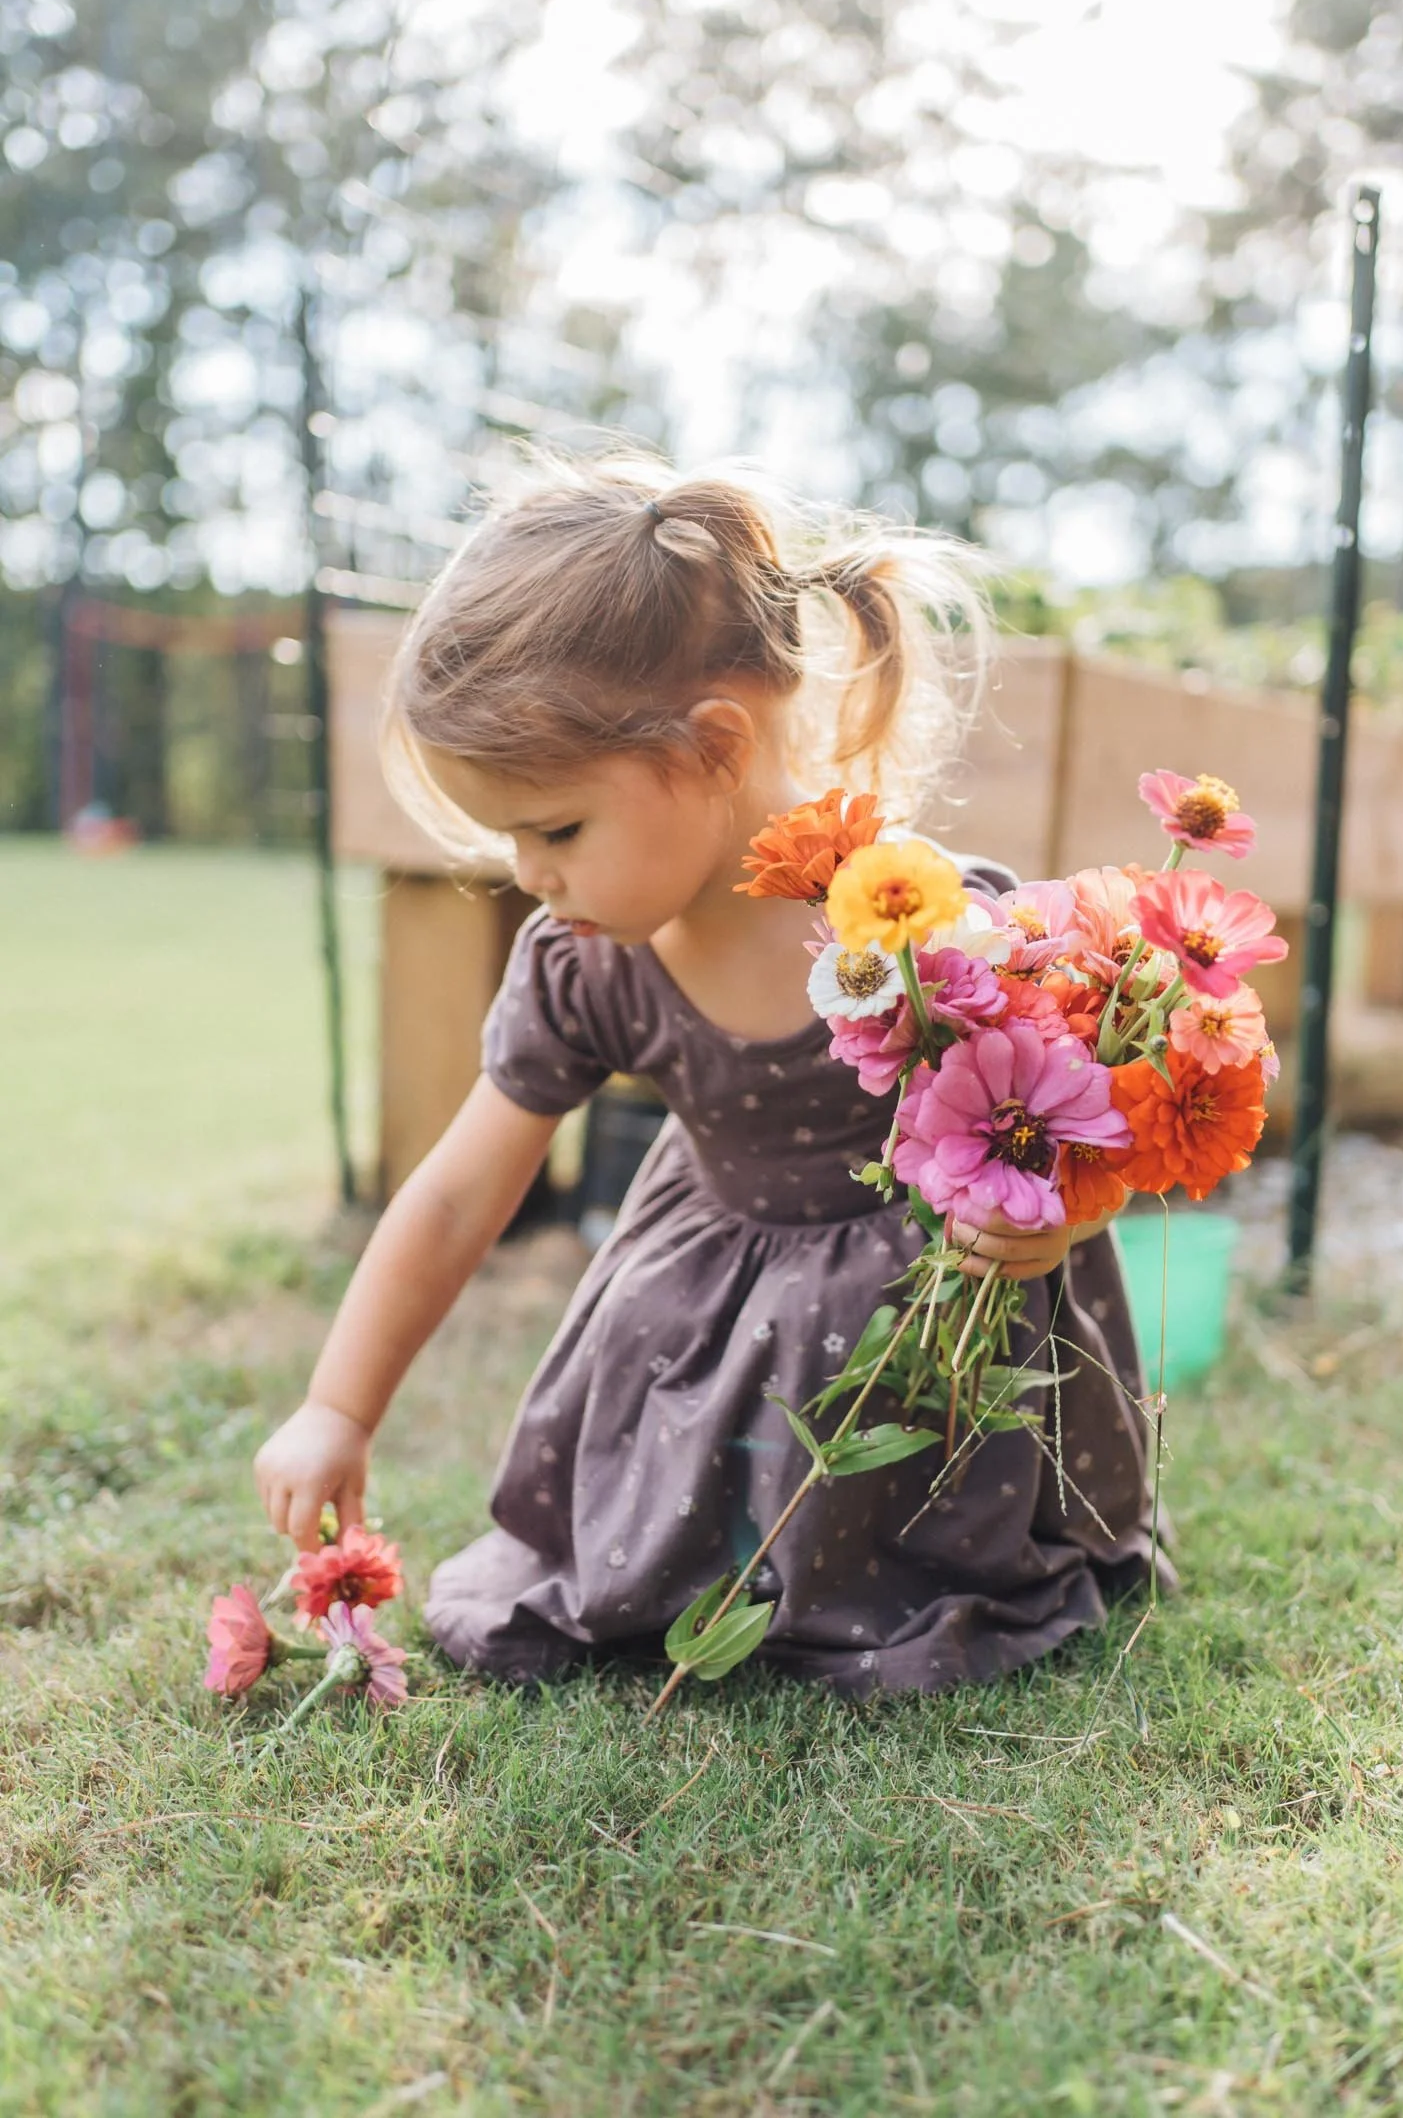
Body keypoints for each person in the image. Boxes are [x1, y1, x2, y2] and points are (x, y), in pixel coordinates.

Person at [254, 455, 1166, 1696]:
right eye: (509, 838)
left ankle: (883, 1578)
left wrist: (1054, 1218)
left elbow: (1086, 1126)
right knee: (644, 1575)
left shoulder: (930, 933)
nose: (529, 872)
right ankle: (707, 1565)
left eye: (556, 828)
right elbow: (459, 1195)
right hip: (698, 1331)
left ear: (712, 748)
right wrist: (337, 1408)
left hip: (918, 1348)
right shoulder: (588, 966)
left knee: (914, 1572)